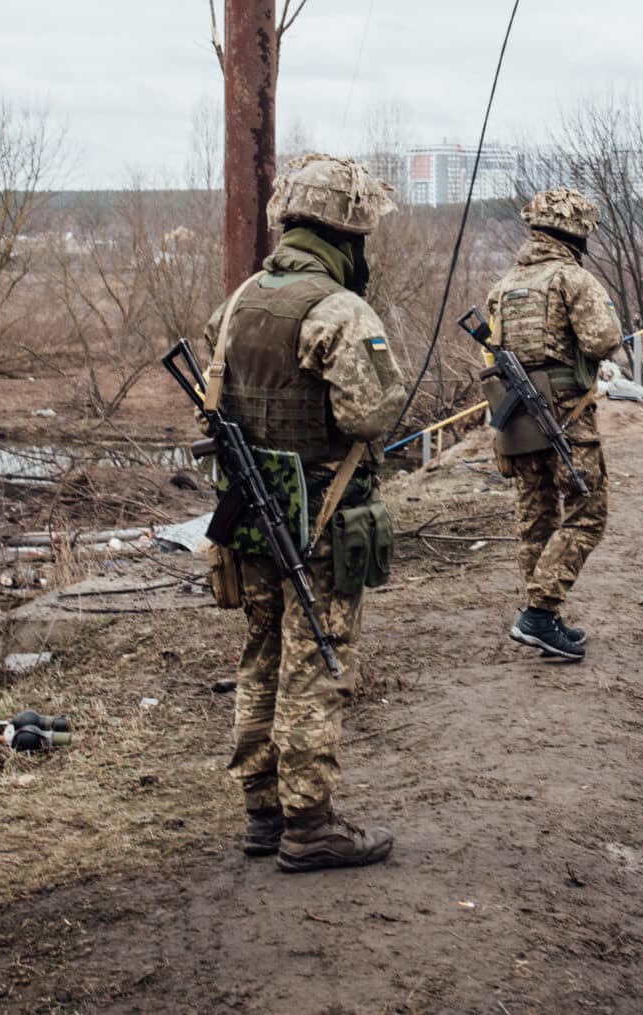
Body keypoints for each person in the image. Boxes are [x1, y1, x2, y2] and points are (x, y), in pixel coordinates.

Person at [205, 153, 407, 872]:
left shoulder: (240, 300)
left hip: (253, 515)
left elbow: (214, 399)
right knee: (314, 663)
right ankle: (310, 823)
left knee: (260, 656)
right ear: (346, 235)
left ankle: (262, 811)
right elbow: (373, 410)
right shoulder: (338, 310)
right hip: (320, 519)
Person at [485, 188, 623, 662]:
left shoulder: (503, 285)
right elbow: (603, 341)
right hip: (566, 416)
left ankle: (544, 617)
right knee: (588, 513)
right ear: (576, 234)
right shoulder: (572, 279)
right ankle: (539, 614)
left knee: (535, 515)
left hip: (519, 418)